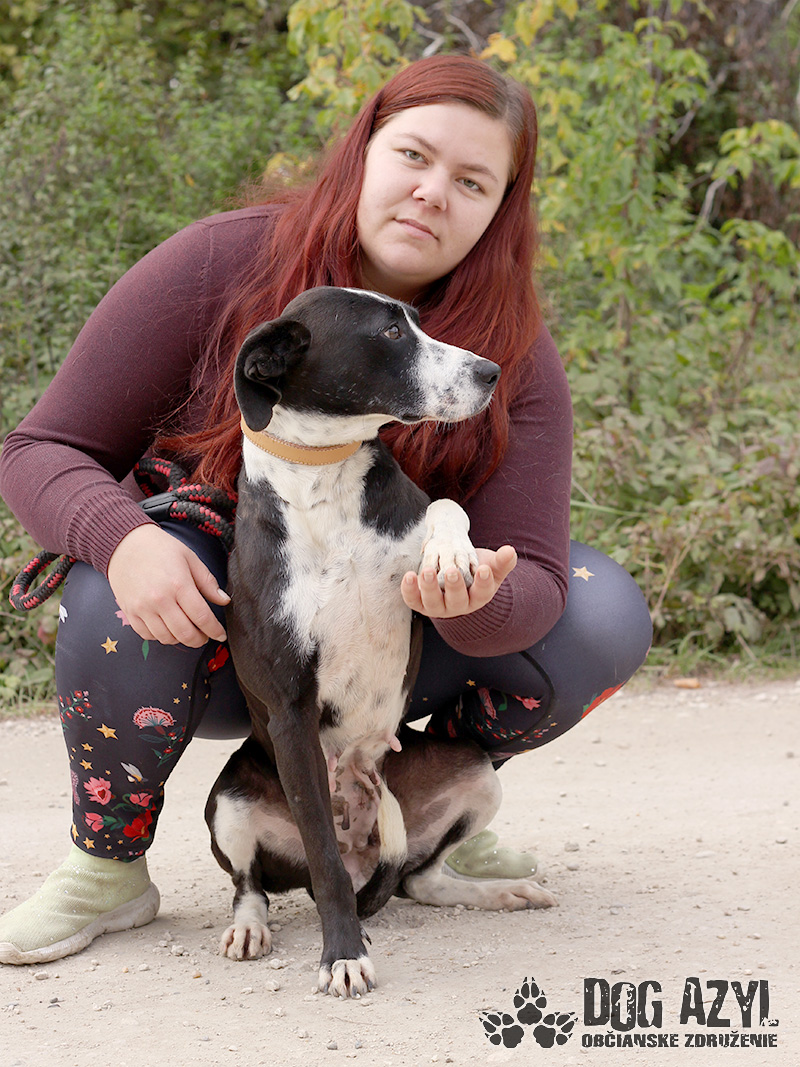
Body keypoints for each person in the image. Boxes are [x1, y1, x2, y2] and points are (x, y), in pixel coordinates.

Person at [0, 54, 652, 966]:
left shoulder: (507, 351)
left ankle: (420, 809)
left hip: (399, 638)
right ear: (361, 151)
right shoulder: (223, 262)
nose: (432, 193)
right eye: (413, 155)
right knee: (112, 599)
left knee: (599, 611)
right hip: (222, 637)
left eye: (472, 182)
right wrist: (124, 540)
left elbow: (536, 578)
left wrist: (478, 600)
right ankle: (108, 865)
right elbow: (39, 449)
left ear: (502, 207)